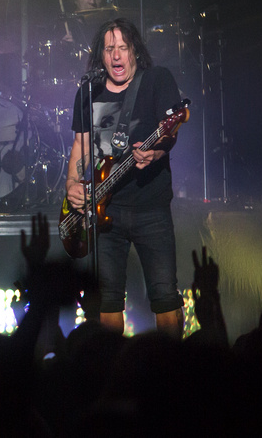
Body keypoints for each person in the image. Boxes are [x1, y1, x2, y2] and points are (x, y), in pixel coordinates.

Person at [63, 18, 183, 338]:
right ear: (100, 55)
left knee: (165, 298)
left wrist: (155, 153)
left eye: (123, 48)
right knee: (107, 303)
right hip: (105, 212)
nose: (116, 55)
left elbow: (170, 131)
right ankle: (110, 365)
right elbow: (81, 146)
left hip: (150, 207)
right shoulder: (89, 91)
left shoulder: (156, 80)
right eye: (109, 49)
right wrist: (72, 184)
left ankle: (173, 364)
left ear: (135, 51)